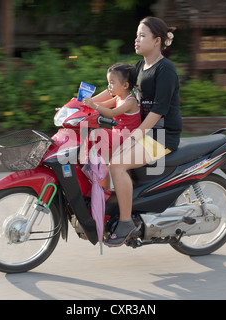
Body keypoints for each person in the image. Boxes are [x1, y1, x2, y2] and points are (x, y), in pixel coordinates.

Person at [90, 16, 182, 247]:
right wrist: (84, 102)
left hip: (161, 135)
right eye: (137, 35)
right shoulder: (140, 66)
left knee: (117, 164)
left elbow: (159, 111)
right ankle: (108, 202)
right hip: (145, 132)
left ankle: (124, 222)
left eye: (142, 36)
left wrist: (136, 136)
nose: (136, 39)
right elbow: (114, 91)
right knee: (100, 148)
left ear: (157, 40)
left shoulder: (165, 69)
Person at [82, 63, 141, 156]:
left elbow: (112, 113)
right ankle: (95, 162)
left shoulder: (130, 102)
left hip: (127, 138)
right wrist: (83, 105)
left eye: (112, 82)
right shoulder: (118, 97)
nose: (109, 86)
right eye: (108, 82)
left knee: (98, 133)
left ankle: (95, 165)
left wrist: (94, 106)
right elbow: (103, 104)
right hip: (118, 135)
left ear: (125, 85)